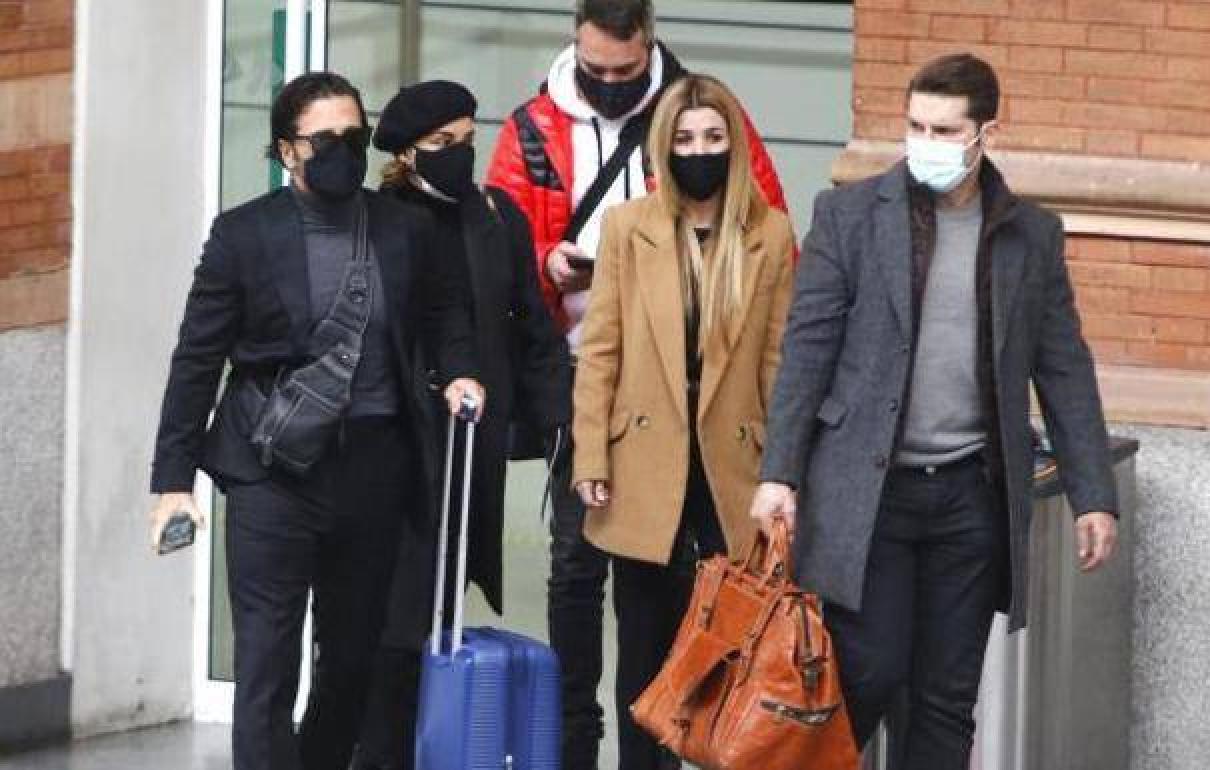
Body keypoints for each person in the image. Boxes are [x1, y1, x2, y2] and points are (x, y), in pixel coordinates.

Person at [749, 53, 1119, 770]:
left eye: (945, 130)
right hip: (870, 494)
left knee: (947, 700)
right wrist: (779, 473)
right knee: (868, 671)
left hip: (970, 496)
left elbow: (1063, 366)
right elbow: (807, 350)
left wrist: (1093, 495)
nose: (926, 142)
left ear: (986, 133)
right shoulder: (850, 216)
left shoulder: (1031, 235)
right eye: (916, 126)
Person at [146, 72, 484, 770]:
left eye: (355, 137)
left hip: (374, 469)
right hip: (271, 473)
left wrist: (458, 369)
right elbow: (197, 359)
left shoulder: (404, 228)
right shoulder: (243, 235)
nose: (343, 151)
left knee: (353, 660)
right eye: (325, 140)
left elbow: (445, 309)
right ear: (287, 150)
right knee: (267, 665)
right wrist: (173, 482)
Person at [485, 3, 787, 765]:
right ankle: (576, 739)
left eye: (626, 69)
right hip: (581, 373)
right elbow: (500, 246)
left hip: (708, 408)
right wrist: (545, 263)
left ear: (650, 44)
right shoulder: (534, 130)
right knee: (579, 571)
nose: (612, 82)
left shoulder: (699, 111)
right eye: (597, 69)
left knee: (705, 600)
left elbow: (769, 256)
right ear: (576, 45)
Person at [573, 73, 795, 770]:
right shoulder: (627, 227)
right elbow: (600, 349)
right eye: (685, 139)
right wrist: (590, 456)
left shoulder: (769, 233)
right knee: (642, 650)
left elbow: (780, 362)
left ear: (735, 145)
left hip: (734, 468)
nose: (699, 151)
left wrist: (785, 472)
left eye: (713, 137)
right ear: (664, 149)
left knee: (726, 658)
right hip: (643, 464)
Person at [352, 79, 572, 770]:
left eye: (469, 140)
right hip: (397, 454)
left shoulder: (496, 216)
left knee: (444, 617)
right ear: (406, 153)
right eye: (441, 143)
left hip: (470, 451)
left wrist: (557, 425)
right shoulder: (379, 220)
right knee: (392, 622)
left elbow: (532, 330)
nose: (459, 155)